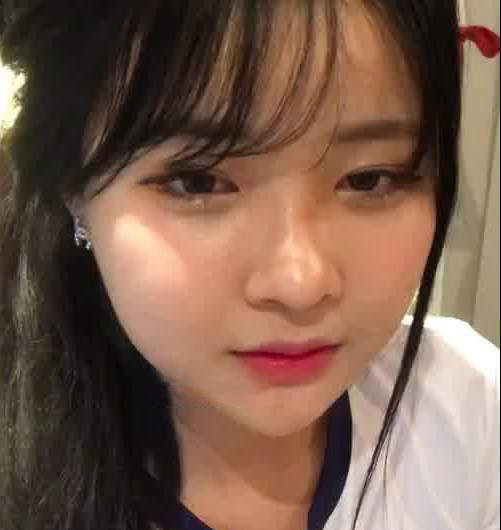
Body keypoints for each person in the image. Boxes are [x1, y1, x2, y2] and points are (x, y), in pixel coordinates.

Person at [0, 2, 499, 529]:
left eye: (369, 178)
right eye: (198, 181)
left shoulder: (467, 409)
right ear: (72, 188)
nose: (301, 284)